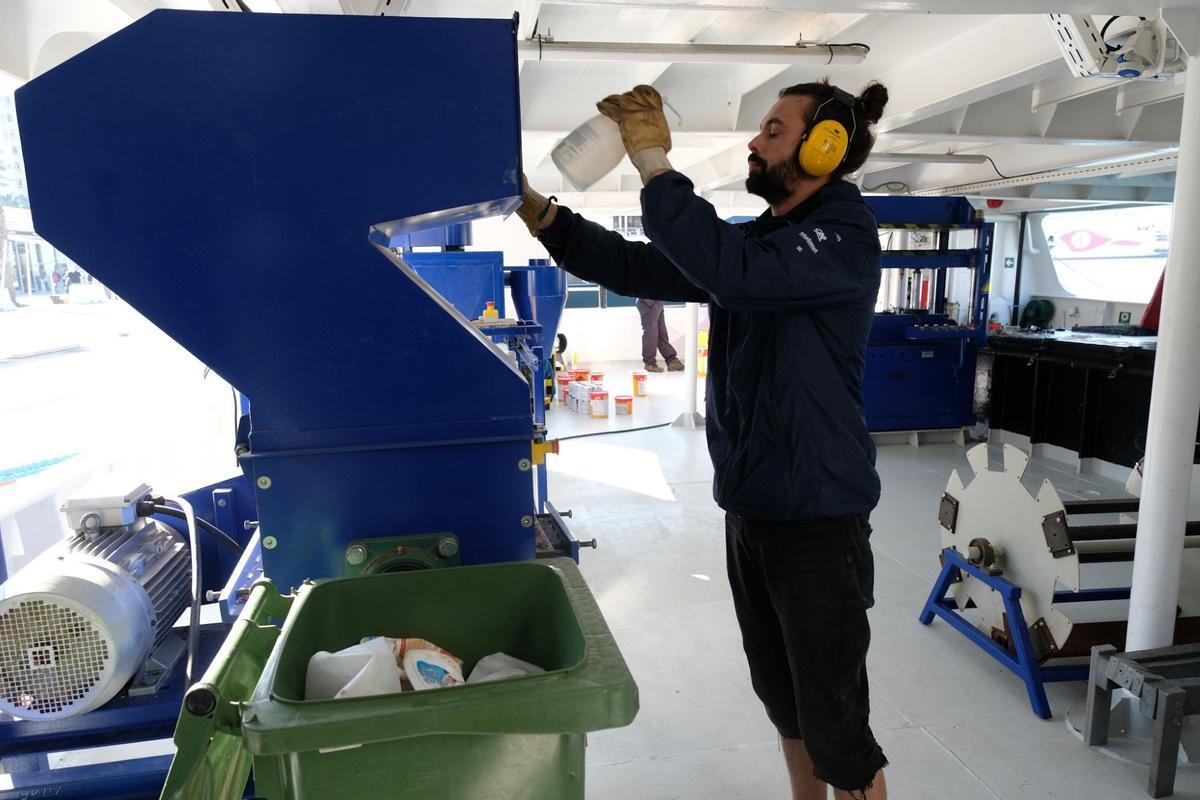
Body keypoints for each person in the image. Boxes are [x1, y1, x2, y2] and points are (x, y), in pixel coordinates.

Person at [516, 79, 890, 800]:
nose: (754, 142)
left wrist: (655, 160)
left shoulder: (840, 240)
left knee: (838, 728)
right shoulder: (766, 242)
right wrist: (540, 212)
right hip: (753, 511)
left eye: (773, 130)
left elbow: (727, 269)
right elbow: (635, 265)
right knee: (786, 702)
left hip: (818, 519)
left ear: (826, 146)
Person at [635, 297, 683, 373]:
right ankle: (649, 363)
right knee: (651, 333)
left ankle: (671, 360)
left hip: (657, 300)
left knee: (662, 332)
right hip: (648, 300)